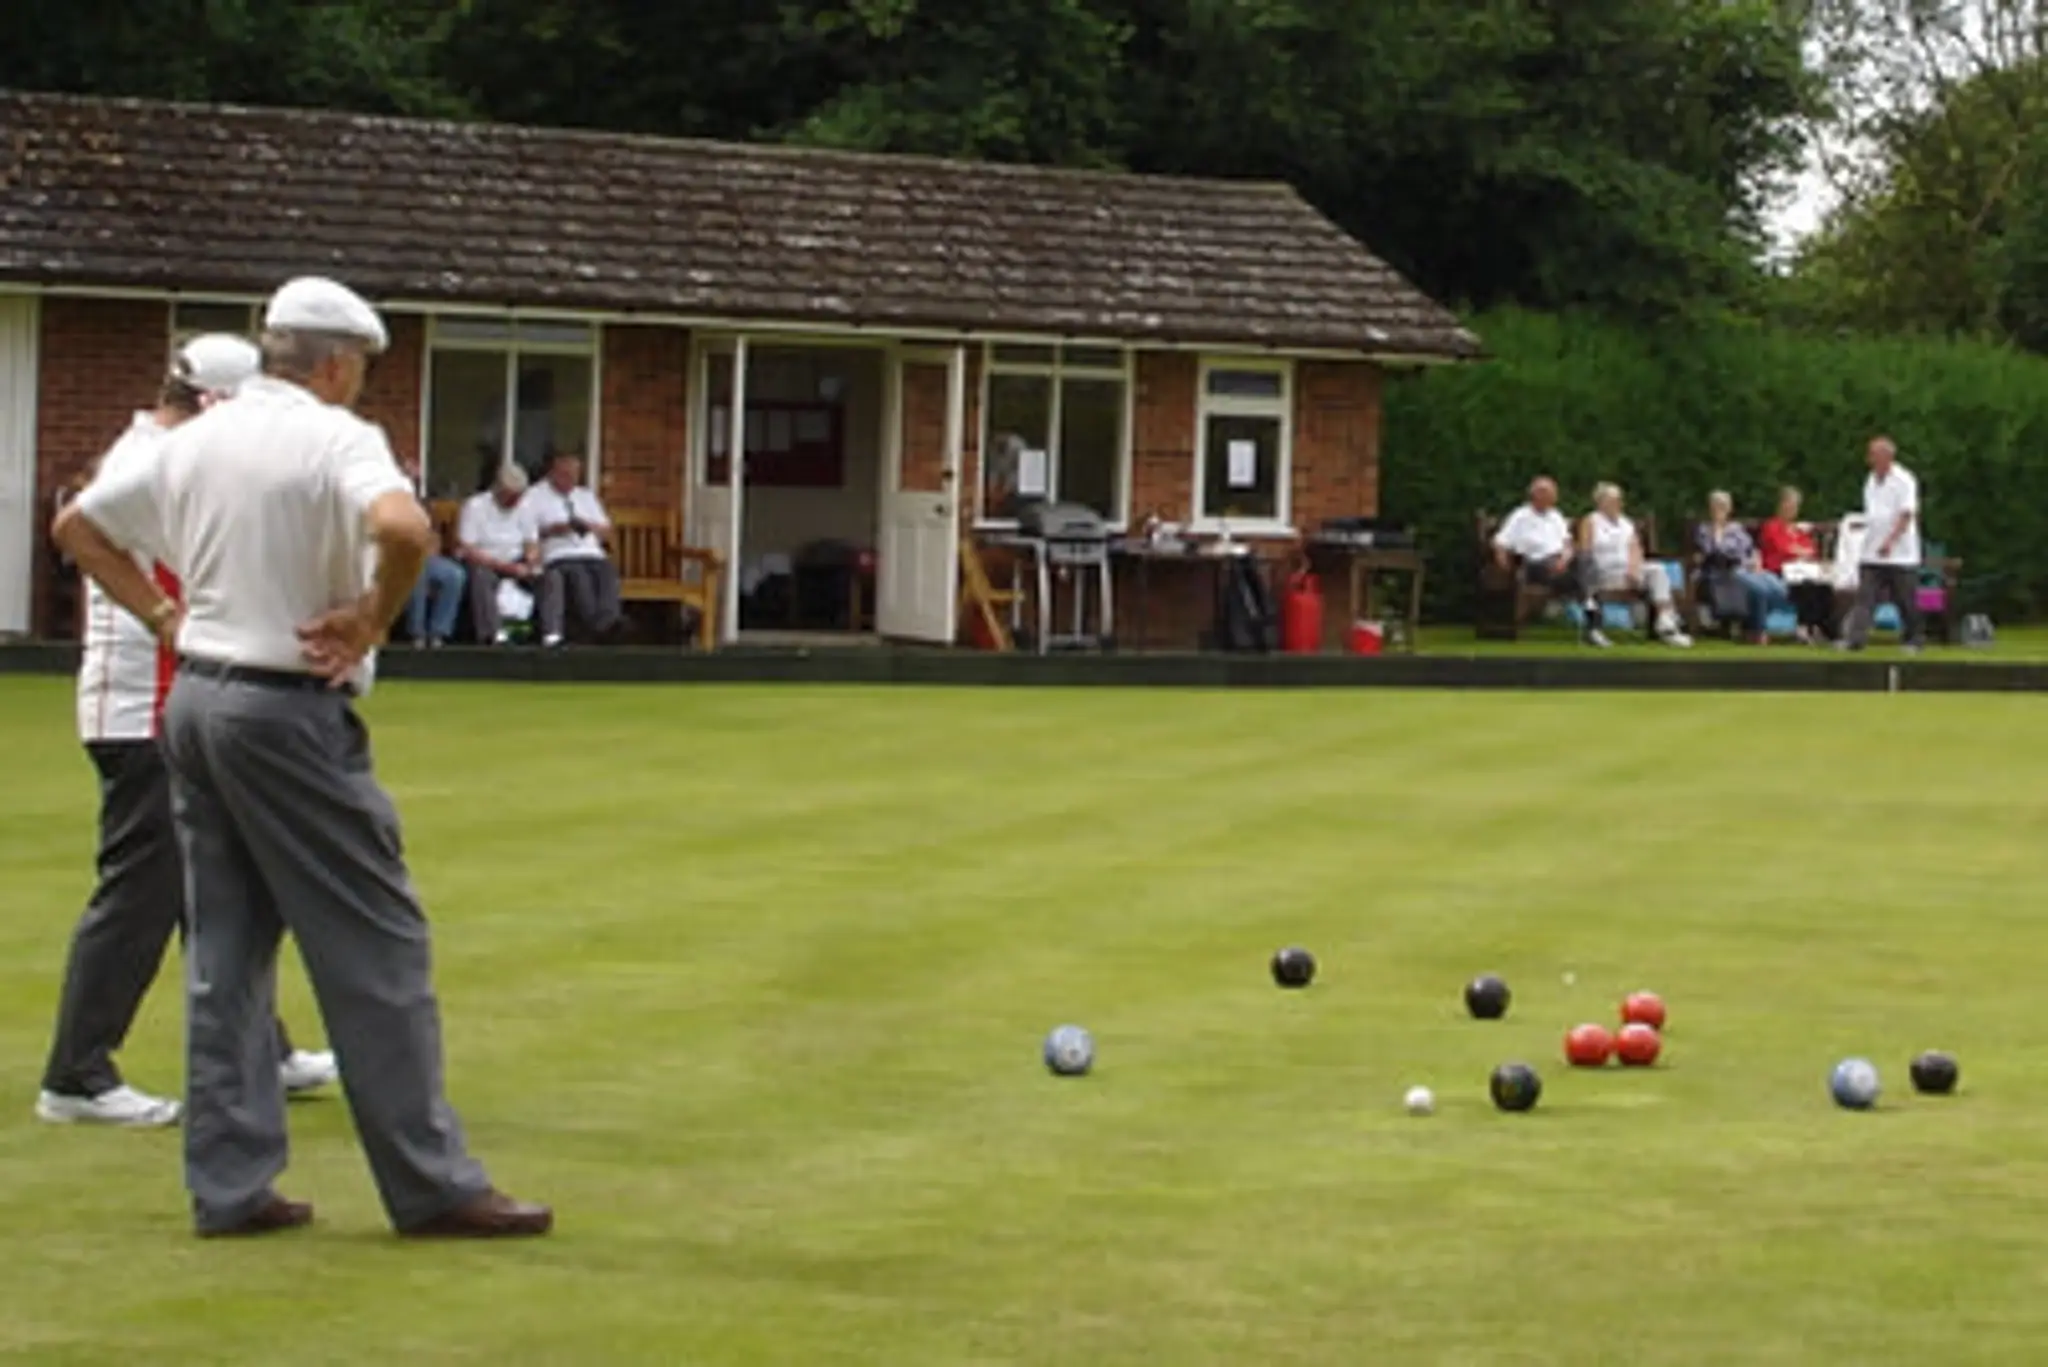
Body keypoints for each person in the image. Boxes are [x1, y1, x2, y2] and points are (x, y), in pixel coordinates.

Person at [52, 276, 550, 1240]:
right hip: (285, 709)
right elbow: (404, 528)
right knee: (377, 942)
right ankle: (432, 1180)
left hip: (194, 698)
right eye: (360, 367)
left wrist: (163, 614)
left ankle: (229, 1186)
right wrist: (371, 617)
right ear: (333, 362)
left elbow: (79, 526)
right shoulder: (337, 436)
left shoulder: (193, 438)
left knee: (227, 950)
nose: (360, 384)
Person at [40, 335, 337, 1128]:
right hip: (140, 707)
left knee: (216, 886)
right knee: (141, 891)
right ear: (211, 403)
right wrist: (167, 618)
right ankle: (76, 1071)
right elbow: (83, 533)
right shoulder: (157, 461)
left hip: (175, 702)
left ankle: (261, 1045)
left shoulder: (168, 453)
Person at [1492, 476, 1610, 647]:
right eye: (1549, 493)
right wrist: (1504, 566)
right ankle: (1592, 621)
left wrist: (1564, 559)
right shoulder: (1520, 516)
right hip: (1535, 565)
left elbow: (1567, 544)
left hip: (1562, 565)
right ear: (1536, 495)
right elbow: (1500, 542)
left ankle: (1591, 620)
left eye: (1554, 494)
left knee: (1586, 560)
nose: (1554, 498)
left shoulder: (1556, 515)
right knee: (1587, 577)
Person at [523, 449, 622, 648]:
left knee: (607, 572)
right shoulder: (534, 496)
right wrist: (557, 528)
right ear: (553, 472)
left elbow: (607, 530)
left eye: (575, 475)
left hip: (591, 552)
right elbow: (528, 532)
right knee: (579, 576)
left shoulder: (585, 496)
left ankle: (609, 622)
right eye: (566, 475)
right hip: (559, 554)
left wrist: (589, 526)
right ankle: (598, 628)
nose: (571, 480)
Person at [1578, 483, 1692, 647]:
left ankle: (1666, 623)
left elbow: (1636, 549)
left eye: (1619, 500)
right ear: (1601, 502)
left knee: (1657, 570)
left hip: (1628, 572)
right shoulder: (1591, 521)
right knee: (1595, 573)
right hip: (1603, 572)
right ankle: (1594, 630)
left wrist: (1633, 569)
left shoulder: (1626, 523)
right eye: (1614, 500)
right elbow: (1585, 551)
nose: (1618, 504)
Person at [1840, 436, 1925, 653]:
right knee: (1865, 597)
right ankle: (1855, 639)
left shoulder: (1904, 480)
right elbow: (1873, 514)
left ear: (1886, 456)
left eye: (1873, 454)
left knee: (1905, 599)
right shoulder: (1870, 480)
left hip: (1900, 554)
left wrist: (1890, 542)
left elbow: (1906, 515)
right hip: (1871, 552)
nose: (1869, 459)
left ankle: (1914, 640)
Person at [456, 464, 540, 645]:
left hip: (517, 559)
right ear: (498, 490)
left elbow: (531, 542)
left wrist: (532, 561)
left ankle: (548, 634)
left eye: (518, 497)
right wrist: (504, 567)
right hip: (485, 560)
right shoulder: (475, 505)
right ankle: (492, 635)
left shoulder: (526, 507)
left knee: (549, 577)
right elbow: (467, 549)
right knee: (481, 577)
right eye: (511, 497)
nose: (515, 502)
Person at [1694, 491, 1791, 644]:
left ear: (1730, 509)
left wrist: (1756, 561)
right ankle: (1758, 631)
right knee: (1760, 590)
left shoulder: (1736, 528)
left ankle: (1752, 627)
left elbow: (1752, 549)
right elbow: (1713, 551)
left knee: (1778, 587)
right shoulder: (1705, 529)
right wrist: (1718, 530)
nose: (1720, 510)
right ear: (1710, 508)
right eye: (1717, 507)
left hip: (1747, 568)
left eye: (1724, 507)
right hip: (1723, 571)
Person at [396, 455, 467, 648]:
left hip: (428, 557)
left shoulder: (427, 504)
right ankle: (417, 633)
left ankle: (439, 633)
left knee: (455, 575)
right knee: (417, 573)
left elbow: (436, 535)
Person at [1757, 486, 1837, 643]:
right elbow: (1782, 548)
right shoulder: (1772, 526)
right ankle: (1803, 627)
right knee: (1806, 587)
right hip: (1779, 571)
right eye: (1790, 505)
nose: (1793, 510)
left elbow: (1811, 550)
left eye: (1795, 506)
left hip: (1802, 570)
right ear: (1781, 505)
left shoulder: (1798, 530)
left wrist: (1798, 551)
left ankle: (1821, 628)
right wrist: (1799, 552)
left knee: (1823, 587)